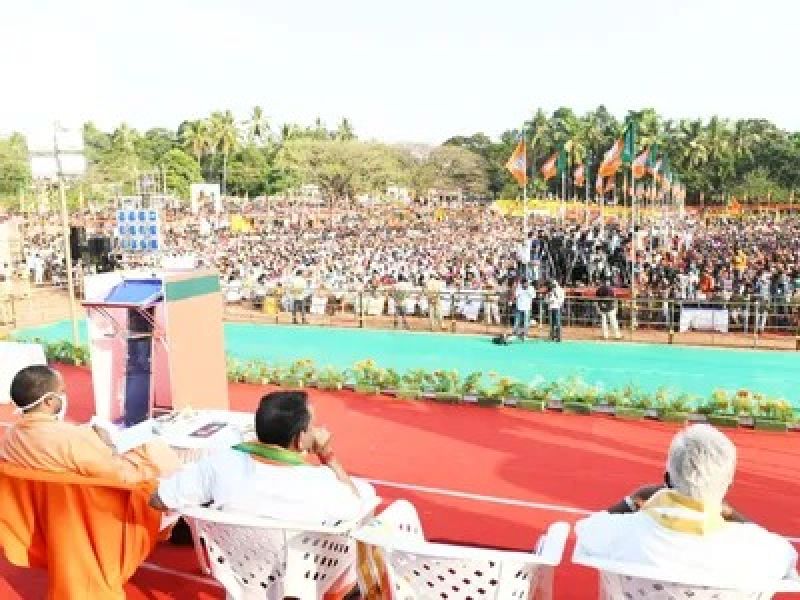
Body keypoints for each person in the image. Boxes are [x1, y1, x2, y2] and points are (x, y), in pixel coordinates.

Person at [575, 425, 797, 583]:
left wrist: (632, 501)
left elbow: (586, 530)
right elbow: (784, 554)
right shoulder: (758, 550)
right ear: (727, 487)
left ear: (667, 480)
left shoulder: (622, 533)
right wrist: (731, 513)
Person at [151, 390, 376, 523]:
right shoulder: (319, 482)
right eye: (313, 425)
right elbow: (355, 507)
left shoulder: (220, 464)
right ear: (299, 439)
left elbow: (158, 500)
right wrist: (328, 456)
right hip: (303, 569)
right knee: (367, 493)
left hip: (240, 568)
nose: (318, 430)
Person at [0, 365, 179, 483]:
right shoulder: (73, 438)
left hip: (43, 513)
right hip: (99, 507)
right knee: (155, 448)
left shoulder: (9, 439)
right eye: (62, 391)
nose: (65, 396)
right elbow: (117, 476)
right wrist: (108, 446)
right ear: (49, 401)